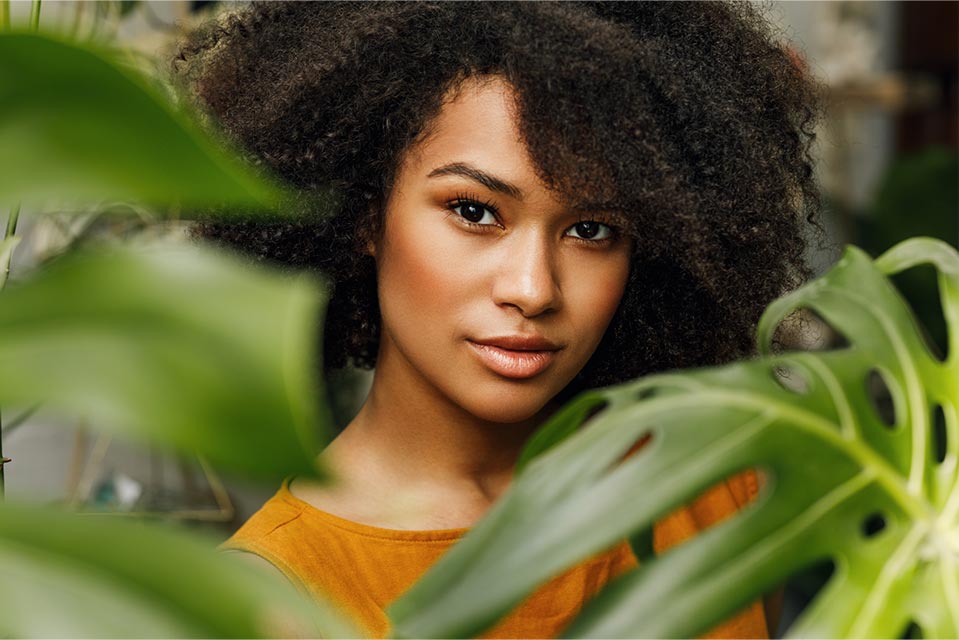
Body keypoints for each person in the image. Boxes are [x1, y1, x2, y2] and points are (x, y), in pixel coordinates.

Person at [173, 2, 822, 637]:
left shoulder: (709, 489)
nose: (532, 289)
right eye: (475, 212)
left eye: (590, 229)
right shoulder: (278, 603)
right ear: (364, 213)